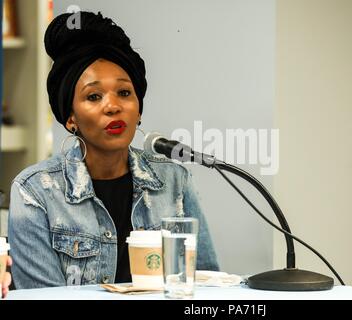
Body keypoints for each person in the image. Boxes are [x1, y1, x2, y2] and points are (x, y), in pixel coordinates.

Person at [8, 11, 219, 289]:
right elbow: (45, 297)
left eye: (124, 93)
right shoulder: (35, 191)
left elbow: (206, 284)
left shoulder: (174, 180)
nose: (113, 106)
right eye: (94, 96)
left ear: (138, 109)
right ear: (70, 118)